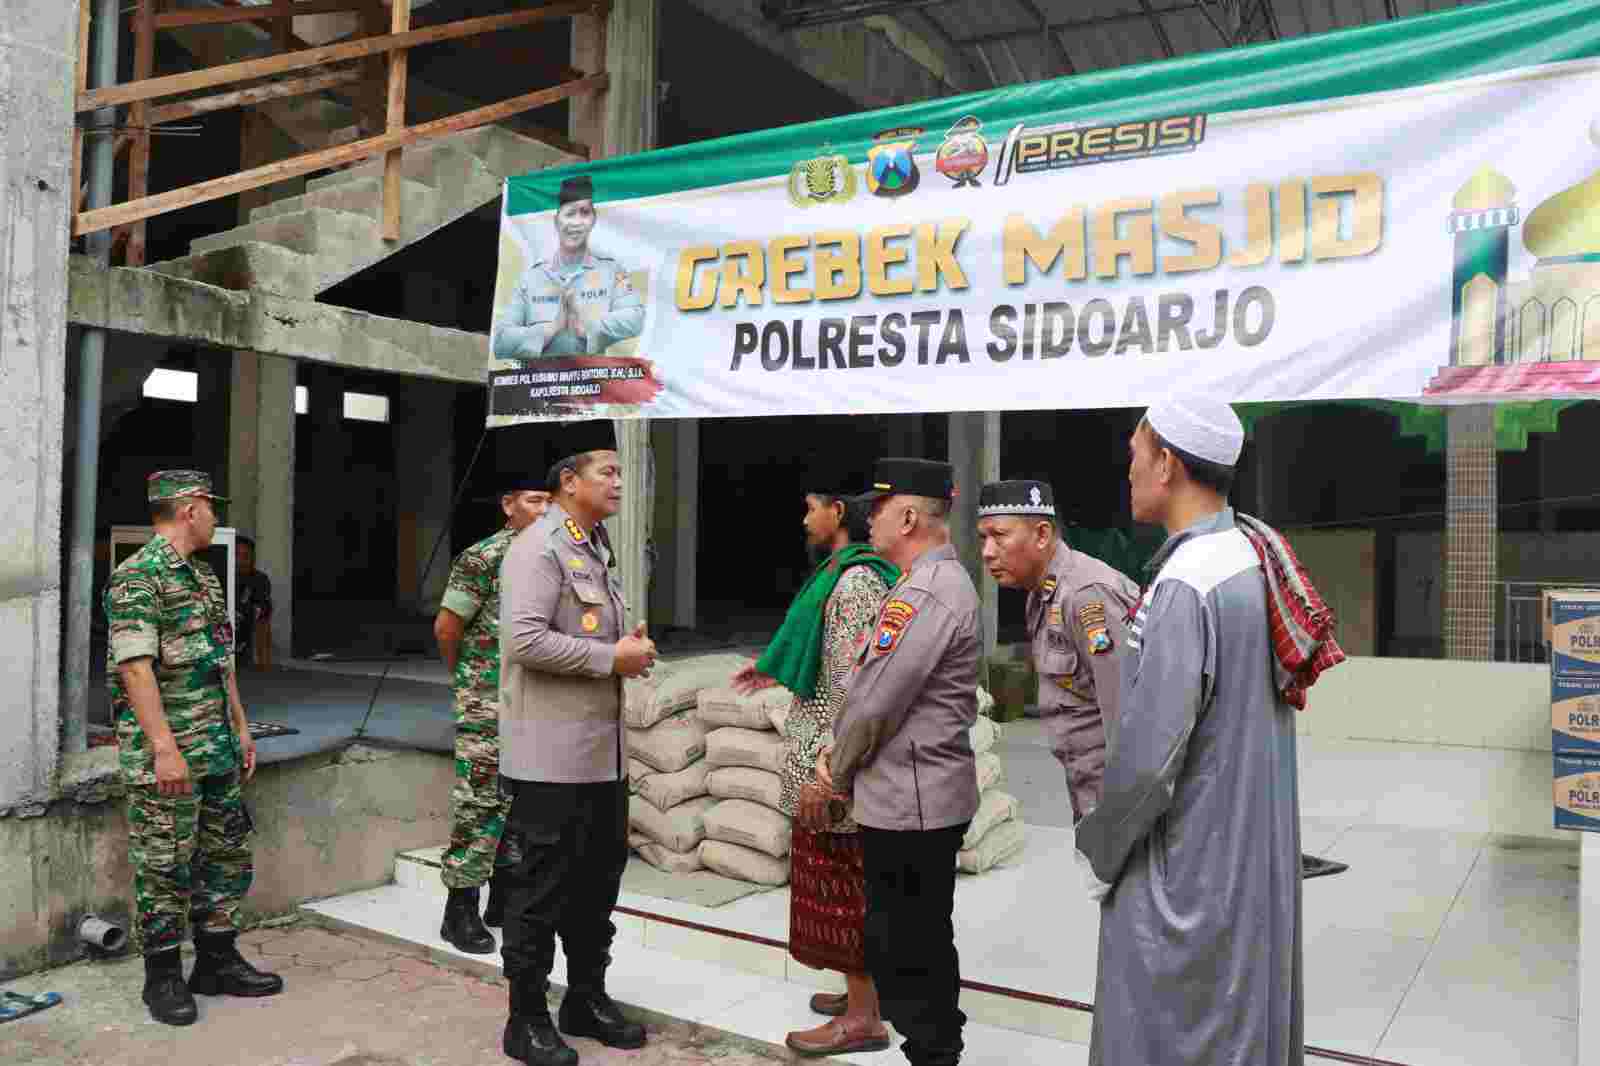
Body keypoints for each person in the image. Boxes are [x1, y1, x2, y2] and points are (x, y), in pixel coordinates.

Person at [1074, 395, 1306, 1066]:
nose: (1129, 474)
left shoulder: (1188, 582)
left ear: (1168, 463)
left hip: (1191, 874)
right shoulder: (1248, 555)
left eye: (1134, 458)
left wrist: (1100, 851)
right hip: (1245, 861)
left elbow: (1149, 763)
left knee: (1175, 1033)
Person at [496, 421, 658, 1066]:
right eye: (606, 472)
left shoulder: (593, 544)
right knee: (537, 891)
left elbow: (593, 638)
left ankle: (584, 997)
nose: (618, 483)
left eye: (620, 473)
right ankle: (525, 1018)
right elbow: (525, 641)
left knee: (596, 888)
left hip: (599, 758)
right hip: (550, 760)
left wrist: (628, 652)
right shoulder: (538, 548)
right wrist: (607, 658)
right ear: (568, 482)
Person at [104, 471, 283, 1027]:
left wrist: (242, 727)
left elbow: (221, 661)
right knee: (164, 866)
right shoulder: (138, 579)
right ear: (188, 510)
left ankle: (216, 961)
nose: (215, 518)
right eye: (210, 508)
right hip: (171, 755)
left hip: (217, 749)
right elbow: (135, 670)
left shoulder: (204, 578)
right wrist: (163, 750)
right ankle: (162, 978)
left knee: (225, 858)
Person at [818, 457, 979, 1066]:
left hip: (913, 803)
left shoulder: (926, 594)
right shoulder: (922, 586)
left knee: (911, 947)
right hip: (909, 796)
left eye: (879, 509)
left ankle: (935, 1052)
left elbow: (875, 702)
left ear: (908, 516)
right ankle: (933, 1047)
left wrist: (837, 767)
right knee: (910, 940)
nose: (870, 519)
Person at [731, 489, 899, 1056]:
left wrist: (831, 767)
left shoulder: (856, 583)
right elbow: (823, 657)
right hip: (822, 749)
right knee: (834, 882)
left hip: (834, 762)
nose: (805, 518)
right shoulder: (836, 575)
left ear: (839, 514)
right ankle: (862, 995)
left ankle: (864, 1018)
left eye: (812, 507)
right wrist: (772, 669)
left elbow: (858, 683)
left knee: (846, 886)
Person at [432, 474, 554, 954]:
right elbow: (447, 628)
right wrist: (467, 682)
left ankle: (503, 899)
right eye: (534, 500)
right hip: (487, 702)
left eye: (550, 501)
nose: (544, 510)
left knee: (523, 804)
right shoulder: (483, 558)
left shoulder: (551, 556)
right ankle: (459, 908)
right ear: (509, 505)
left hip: (537, 704)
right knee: (480, 804)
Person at [975, 480, 1140, 823]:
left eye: (1000, 536)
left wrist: (1124, 820)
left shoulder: (1086, 596)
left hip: (1115, 798)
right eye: (983, 538)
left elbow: (1129, 719)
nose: (987, 551)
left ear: (1042, 534)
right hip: (1086, 785)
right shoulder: (1042, 593)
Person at [491, 174, 644, 361]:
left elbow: (635, 317)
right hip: (540, 386)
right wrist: (553, 328)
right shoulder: (532, 278)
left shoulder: (611, 271)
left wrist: (586, 327)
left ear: (594, 219)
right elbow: (500, 341)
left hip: (593, 385)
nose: (577, 222)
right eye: (570, 213)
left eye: (585, 212)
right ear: (557, 220)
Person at [233, 535, 272, 667]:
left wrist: (263, 662)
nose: (240, 561)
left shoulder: (259, 579)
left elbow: (263, 618)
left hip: (243, 644)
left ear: (252, 559)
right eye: (236, 555)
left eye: (246, 556)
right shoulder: (217, 576)